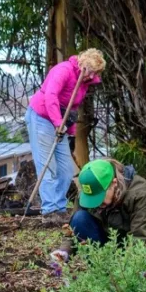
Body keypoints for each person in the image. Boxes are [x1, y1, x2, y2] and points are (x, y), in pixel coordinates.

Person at [25, 49, 106, 224]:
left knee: (66, 169)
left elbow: (73, 108)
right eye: (89, 70)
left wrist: (69, 132)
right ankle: (50, 210)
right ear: (83, 64)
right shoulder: (63, 70)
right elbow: (51, 96)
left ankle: (60, 207)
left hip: (60, 122)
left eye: (94, 73)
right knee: (48, 166)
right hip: (42, 118)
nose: (91, 76)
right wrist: (57, 123)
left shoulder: (84, 82)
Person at [50, 158, 146, 262]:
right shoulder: (88, 194)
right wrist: (64, 251)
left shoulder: (141, 194)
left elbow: (141, 238)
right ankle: (102, 267)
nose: (95, 203)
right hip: (111, 243)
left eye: (100, 197)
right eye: (91, 198)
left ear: (114, 183)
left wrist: (121, 270)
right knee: (79, 218)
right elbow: (73, 229)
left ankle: (114, 271)